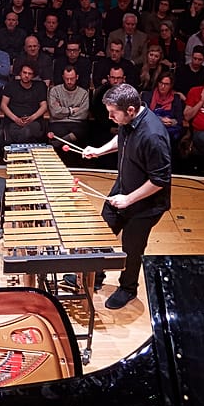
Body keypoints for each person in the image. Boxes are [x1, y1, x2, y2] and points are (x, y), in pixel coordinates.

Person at [80, 83, 172, 311]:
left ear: (130, 110)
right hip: (123, 188)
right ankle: (95, 276)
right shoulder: (127, 121)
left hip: (145, 204)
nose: (110, 117)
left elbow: (160, 180)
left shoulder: (153, 136)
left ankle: (128, 289)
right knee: (99, 234)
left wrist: (129, 199)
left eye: (114, 113)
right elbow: (121, 140)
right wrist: (100, 150)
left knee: (131, 249)